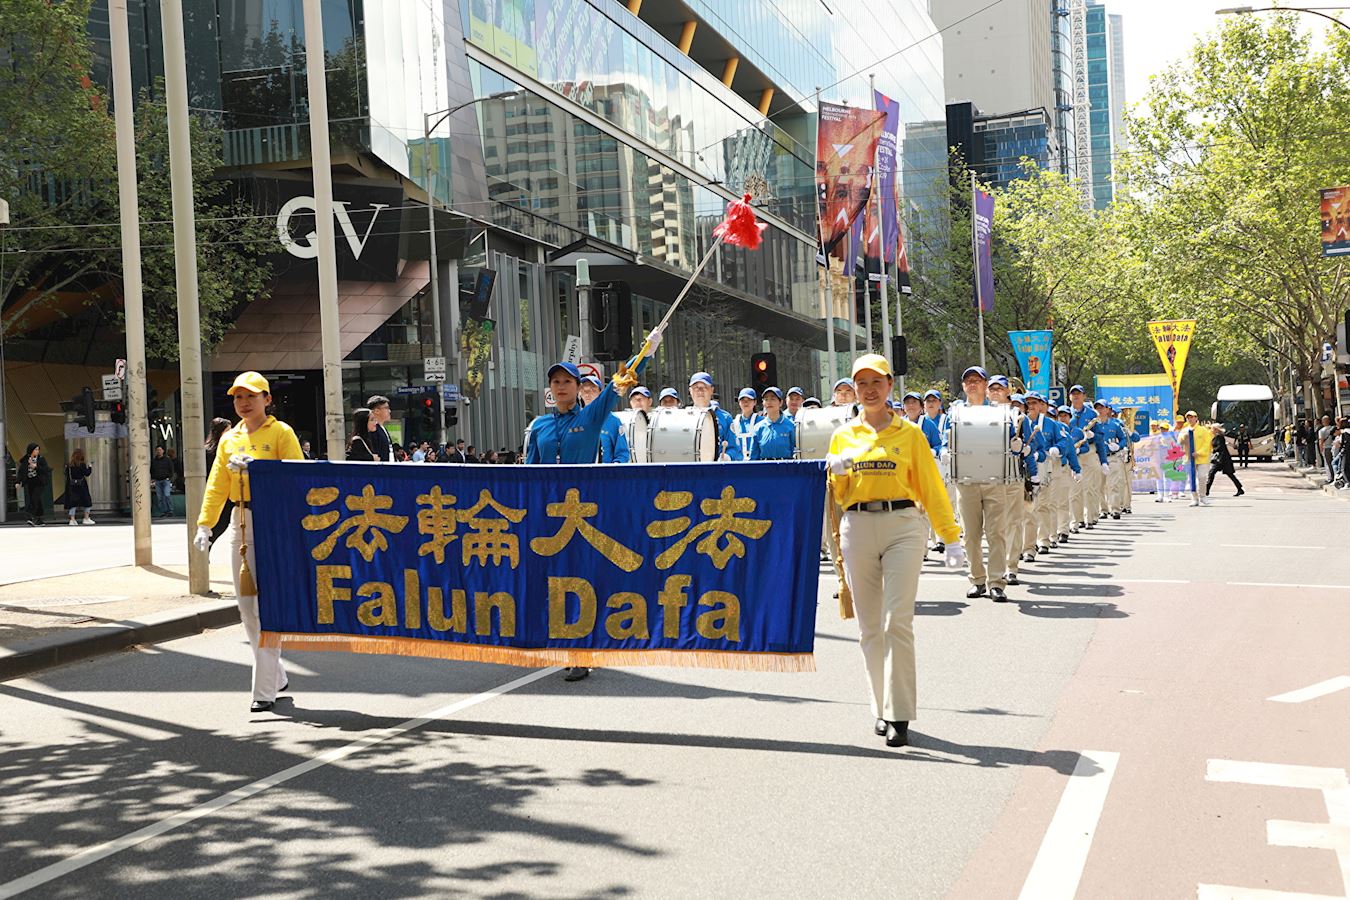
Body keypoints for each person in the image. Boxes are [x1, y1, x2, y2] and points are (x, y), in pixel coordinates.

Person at [826, 353, 964, 747]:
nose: (869, 390)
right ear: (854, 389)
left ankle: (899, 714)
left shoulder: (910, 434)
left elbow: (931, 488)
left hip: (903, 526)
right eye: (861, 384)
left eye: (877, 383)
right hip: (858, 527)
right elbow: (840, 497)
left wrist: (950, 536)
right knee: (870, 627)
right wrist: (836, 473)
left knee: (896, 622)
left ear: (890, 386)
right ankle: (880, 706)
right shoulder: (843, 435)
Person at [525, 348, 651, 682]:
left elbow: (617, 386)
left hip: (585, 516)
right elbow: (528, 473)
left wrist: (646, 351)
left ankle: (582, 651)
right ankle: (564, 643)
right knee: (556, 582)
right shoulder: (538, 426)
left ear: (579, 386)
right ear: (549, 389)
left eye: (567, 381)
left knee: (583, 580)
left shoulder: (592, 418)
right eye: (556, 381)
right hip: (552, 518)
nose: (561, 386)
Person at [194, 371, 304, 714]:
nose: (243, 403)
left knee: (265, 608)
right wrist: (205, 525)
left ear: (267, 400)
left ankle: (264, 690)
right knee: (245, 606)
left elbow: (296, 477)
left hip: (274, 524)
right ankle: (277, 672)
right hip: (241, 526)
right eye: (238, 397)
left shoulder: (281, 433)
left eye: (251, 397)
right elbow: (217, 484)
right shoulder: (229, 439)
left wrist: (260, 471)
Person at [951, 366, 1013, 602]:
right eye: (968, 381)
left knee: (996, 532)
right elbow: (947, 438)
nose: (973, 384)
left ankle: (997, 582)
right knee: (970, 534)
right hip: (966, 481)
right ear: (963, 386)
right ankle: (977, 580)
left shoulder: (1001, 412)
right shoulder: (955, 412)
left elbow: (1010, 439)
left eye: (978, 380)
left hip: (994, 479)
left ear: (986, 385)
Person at [688, 372, 739, 460]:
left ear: (712, 390)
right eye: (696, 388)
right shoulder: (684, 417)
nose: (700, 391)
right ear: (690, 391)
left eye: (704, 387)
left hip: (716, 470)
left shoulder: (725, 418)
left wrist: (727, 457)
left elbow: (734, 448)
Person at [580, 375, 630, 463]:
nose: (587, 393)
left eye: (593, 390)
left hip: (604, 474)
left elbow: (622, 454)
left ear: (601, 393)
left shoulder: (613, 421)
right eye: (584, 390)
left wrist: (612, 470)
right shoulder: (576, 419)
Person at [204, 417, 234, 546]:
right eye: (228, 430)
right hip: (218, 491)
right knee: (220, 523)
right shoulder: (211, 451)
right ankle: (206, 547)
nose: (231, 433)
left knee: (223, 523)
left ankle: (207, 547)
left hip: (229, 491)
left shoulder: (228, 448)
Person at [749, 387, 795, 459]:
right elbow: (754, 456)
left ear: (781, 402)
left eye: (773, 399)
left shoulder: (790, 426)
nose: (769, 402)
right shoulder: (758, 428)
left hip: (786, 467)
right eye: (766, 399)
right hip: (765, 468)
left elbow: (795, 452)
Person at [1179, 410, 1214, 506]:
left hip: (1202, 458)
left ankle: (1203, 497)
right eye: (1188, 417)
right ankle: (1194, 498)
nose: (1190, 419)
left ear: (1196, 418)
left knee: (1202, 477)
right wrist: (1183, 438)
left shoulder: (1203, 430)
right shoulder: (1184, 430)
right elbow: (1179, 442)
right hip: (1189, 459)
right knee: (1192, 479)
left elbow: (1207, 443)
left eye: (1192, 417)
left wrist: (1199, 453)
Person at [1207, 426, 1245, 496]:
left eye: (1212, 429)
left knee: (1212, 473)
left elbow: (1220, 447)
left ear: (1216, 430)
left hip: (1221, 459)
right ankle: (1240, 489)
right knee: (1229, 474)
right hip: (1222, 458)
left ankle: (1206, 490)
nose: (1211, 430)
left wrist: (1213, 450)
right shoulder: (1217, 437)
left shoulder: (1219, 437)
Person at [62, 449, 95, 526]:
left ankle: (72, 519)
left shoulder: (69, 466)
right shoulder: (82, 465)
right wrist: (90, 467)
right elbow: (87, 473)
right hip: (81, 486)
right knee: (87, 502)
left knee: (72, 503)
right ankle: (86, 518)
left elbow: (66, 474)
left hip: (71, 487)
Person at [19, 443, 49, 526]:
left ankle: (29, 514)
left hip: (39, 481)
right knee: (37, 500)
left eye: (38, 449)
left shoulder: (41, 459)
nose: (37, 451)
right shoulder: (26, 459)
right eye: (35, 449)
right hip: (30, 481)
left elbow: (45, 470)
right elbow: (21, 471)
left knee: (34, 497)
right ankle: (39, 519)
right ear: (31, 450)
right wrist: (19, 481)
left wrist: (35, 467)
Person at [730, 388, 762, 460]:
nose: (746, 402)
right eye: (743, 400)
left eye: (749, 400)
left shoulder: (761, 421)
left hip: (756, 463)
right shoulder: (733, 423)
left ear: (755, 402)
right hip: (737, 463)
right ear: (739, 402)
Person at [366, 395, 394, 461]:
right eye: (386, 408)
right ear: (377, 411)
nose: (389, 411)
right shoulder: (373, 429)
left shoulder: (383, 429)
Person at [150, 446, 175, 518]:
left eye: (160, 450)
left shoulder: (167, 460)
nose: (159, 451)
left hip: (165, 480)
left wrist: (169, 477)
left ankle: (170, 511)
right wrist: (153, 478)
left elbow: (171, 469)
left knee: (167, 495)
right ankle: (163, 511)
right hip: (158, 480)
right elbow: (151, 470)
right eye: (157, 450)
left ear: (163, 451)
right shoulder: (154, 461)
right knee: (160, 497)